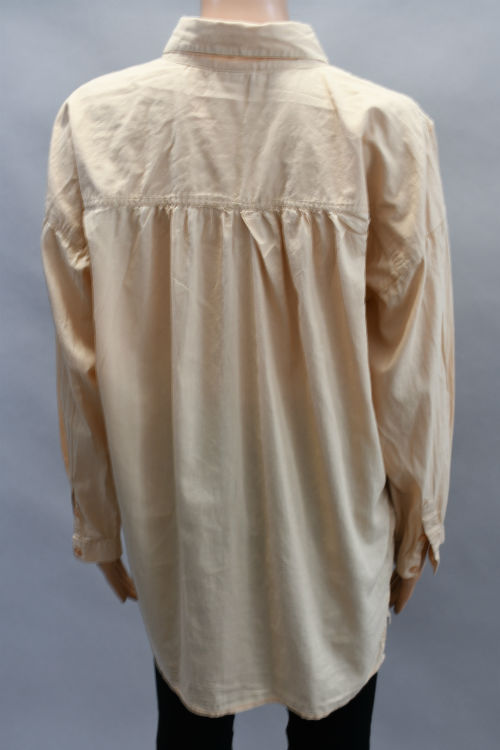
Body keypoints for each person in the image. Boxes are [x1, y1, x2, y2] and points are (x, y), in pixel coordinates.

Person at [40, 0, 455, 747]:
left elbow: (80, 360)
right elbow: (413, 370)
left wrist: (99, 520)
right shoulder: (384, 128)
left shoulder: (97, 123)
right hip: (337, 529)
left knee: (188, 724)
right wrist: (416, 523)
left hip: (179, 530)